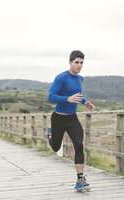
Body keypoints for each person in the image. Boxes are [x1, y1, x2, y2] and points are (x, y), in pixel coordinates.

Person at [47, 50, 95, 191]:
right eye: (76, 62)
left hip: (72, 118)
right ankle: (49, 134)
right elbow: (51, 97)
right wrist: (67, 99)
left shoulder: (80, 79)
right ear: (70, 62)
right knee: (56, 147)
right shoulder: (61, 77)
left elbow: (78, 95)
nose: (79, 66)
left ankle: (80, 180)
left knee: (79, 145)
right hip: (58, 118)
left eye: (81, 63)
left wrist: (85, 102)